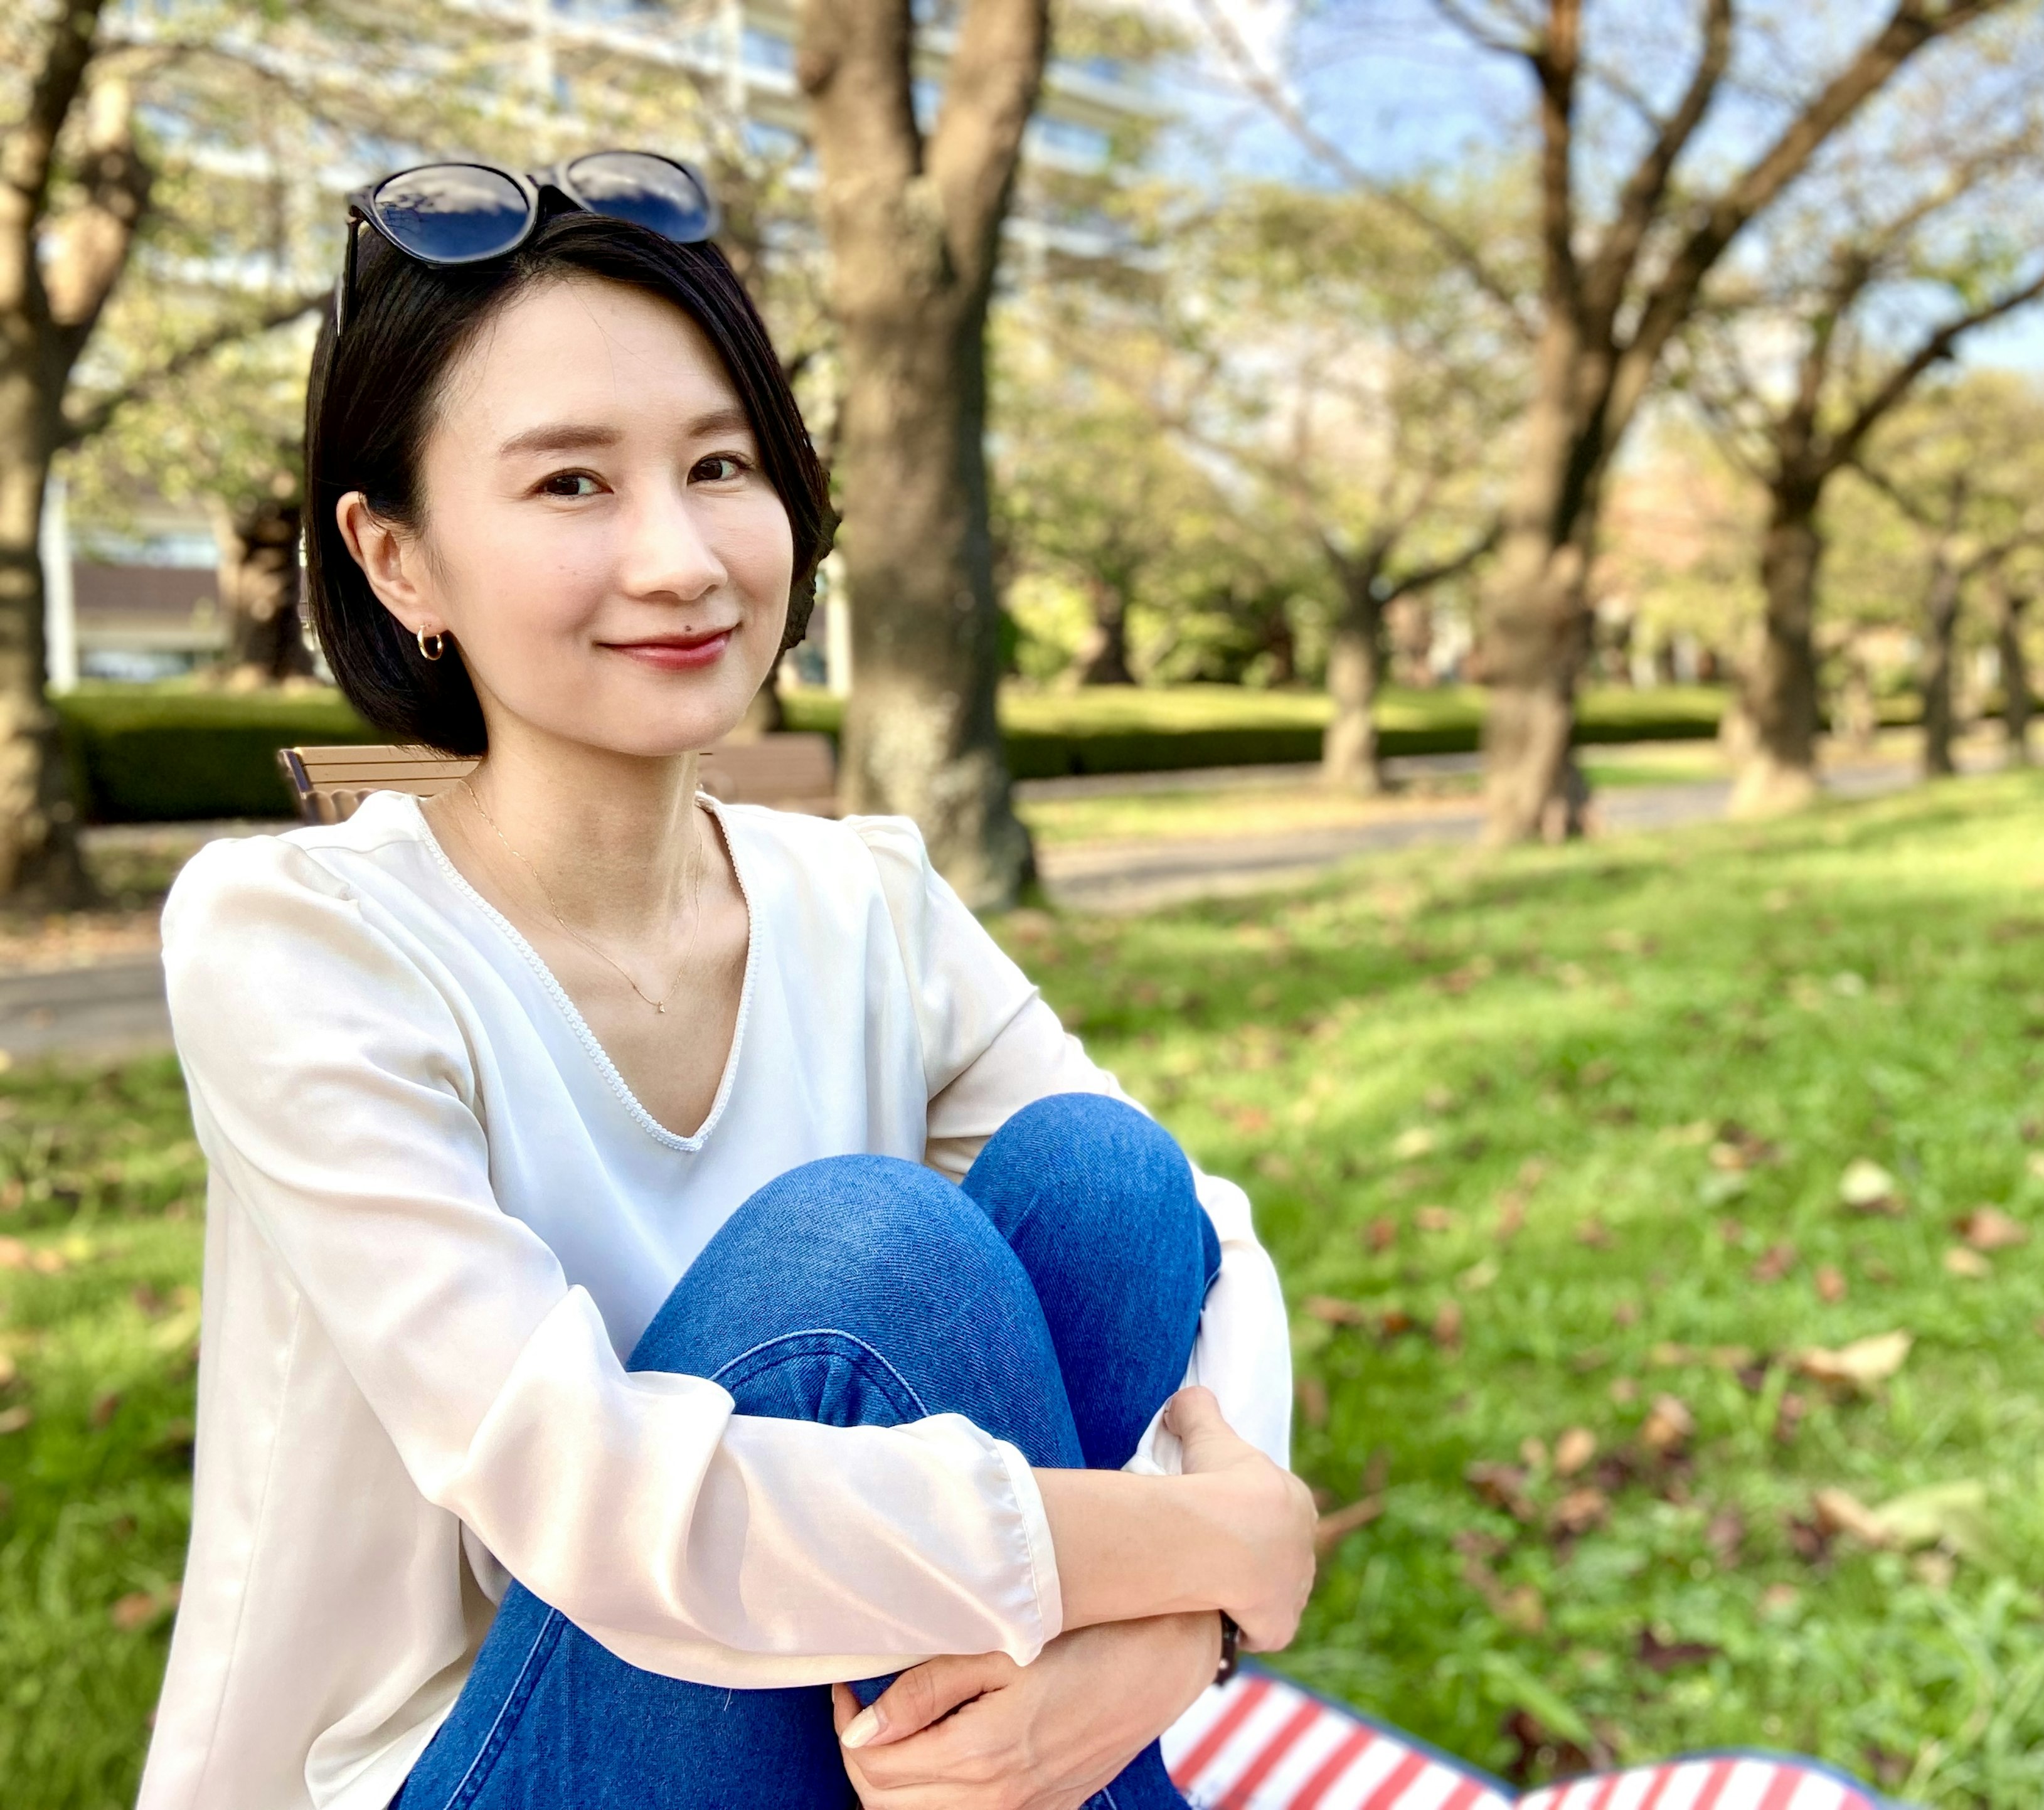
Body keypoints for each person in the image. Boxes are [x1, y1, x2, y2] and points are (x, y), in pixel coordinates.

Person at [136, 156, 1315, 1810]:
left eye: (718, 464)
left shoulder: (864, 899)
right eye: (570, 486)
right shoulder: (298, 940)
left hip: (826, 1718)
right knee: (864, 1265)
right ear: (397, 557)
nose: (681, 558)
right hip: (459, 1759)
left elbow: (1206, 1234)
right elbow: (605, 1504)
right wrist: (1197, 1550)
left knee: (1105, 1187)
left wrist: (1172, 1631)